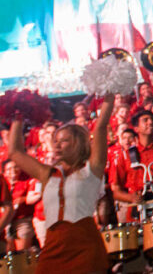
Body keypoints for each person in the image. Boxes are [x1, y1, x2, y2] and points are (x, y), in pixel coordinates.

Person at [7, 95, 113, 272]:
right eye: (55, 141)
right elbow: (15, 152)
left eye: (63, 141)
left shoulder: (92, 170)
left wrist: (109, 97)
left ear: (78, 143)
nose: (56, 145)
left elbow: (101, 127)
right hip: (53, 247)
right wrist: (19, 116)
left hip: (85, 246)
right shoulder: (47, 173)